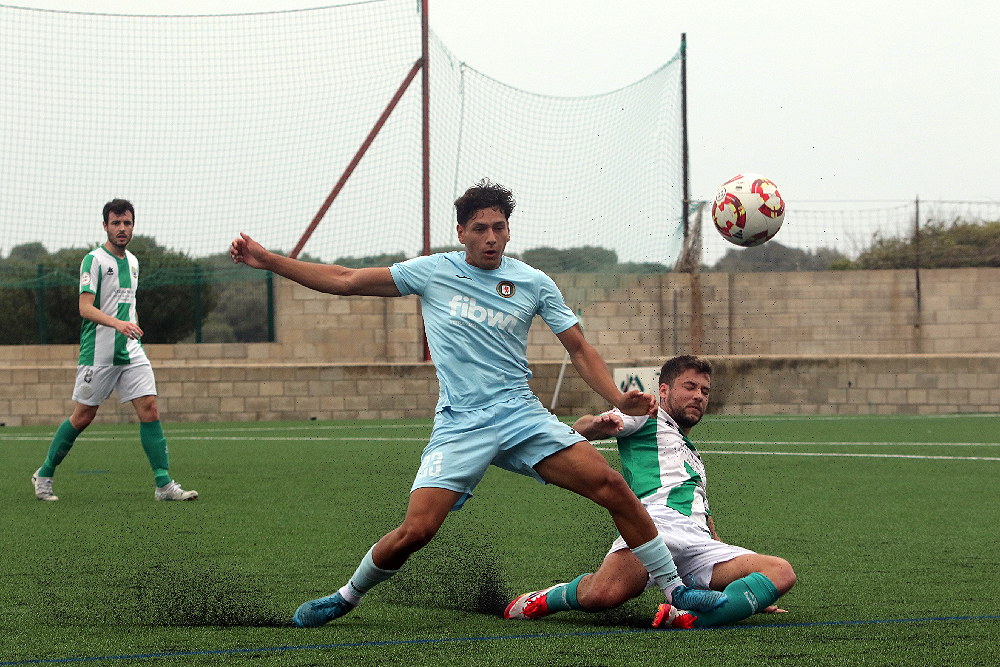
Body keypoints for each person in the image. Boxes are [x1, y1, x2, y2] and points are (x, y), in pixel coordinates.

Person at [229, 179, 727, 628]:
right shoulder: (431, 272)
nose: (491, 237)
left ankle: (676, 590)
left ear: (509, 232)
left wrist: (618, 397)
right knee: (416, 531)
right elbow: (344, 279)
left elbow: (579, 347)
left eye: (500, 228)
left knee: (612, 485)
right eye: (481, 229)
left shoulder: (533, 282)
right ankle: (346, 595)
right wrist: (270, 261)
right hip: (461, 425)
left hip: (521, 414)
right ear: (462, 232)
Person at [504, 355, 796, 628]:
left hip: (699, 543)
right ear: (664, 390)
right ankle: (547, 597)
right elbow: (578, 429)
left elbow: (706, 519)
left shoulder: (693, 456)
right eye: (690, 387)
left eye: (705, 391)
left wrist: (747, 595)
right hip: (654, 526)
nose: (699, 396)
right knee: (602, 596)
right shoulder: (646, 416)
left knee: (781, 573)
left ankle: (687, 617)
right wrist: (597, 424)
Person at [30, 199, 198, 503]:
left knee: (150, 408)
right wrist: (117, 324)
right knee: (83, 416)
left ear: (133, 225)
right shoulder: (93, 261)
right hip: (99, 351)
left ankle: (163, 484)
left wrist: (132, 326)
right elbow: (85, 308)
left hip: (131, 350)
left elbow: (129, 306)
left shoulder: (133, 263)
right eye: (116, 223)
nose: (122, 228)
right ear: (105, 225)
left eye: (127, 223)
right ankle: (44, 474)